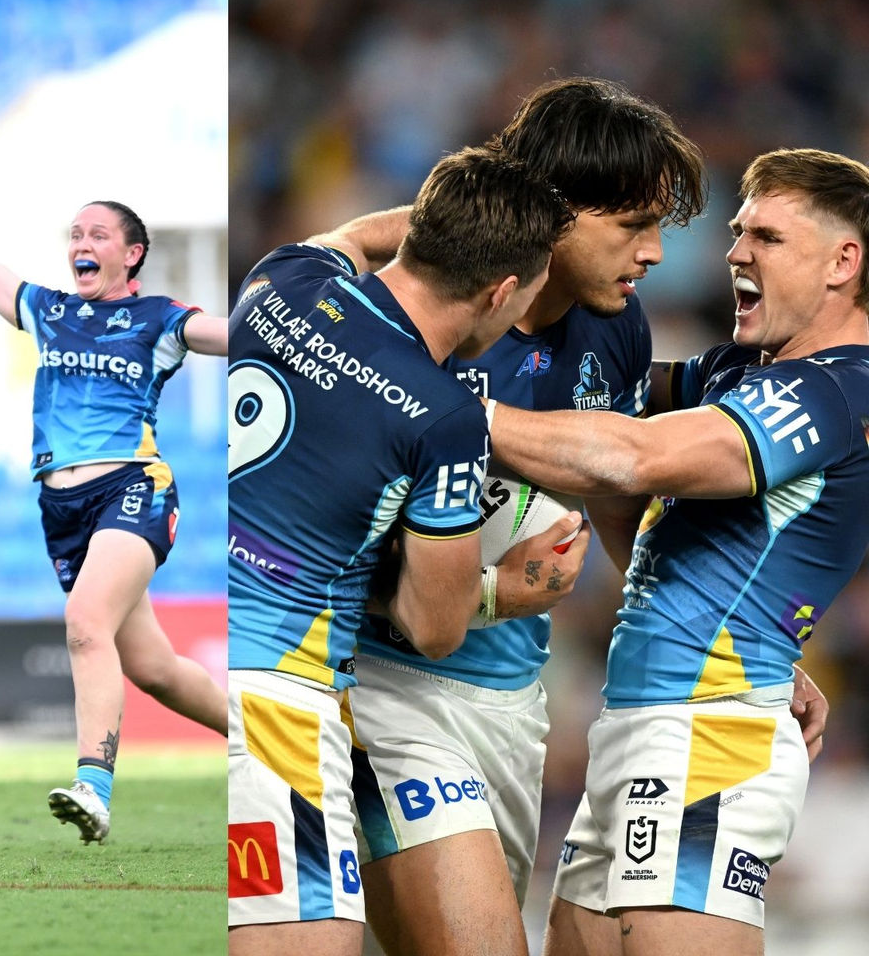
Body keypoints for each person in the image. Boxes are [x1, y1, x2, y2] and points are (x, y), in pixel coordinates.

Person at [338, 79, 828, 956]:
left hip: (512, 701)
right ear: (553, 211)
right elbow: (318, 538)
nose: (655, 252)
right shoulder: (415, 317)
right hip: (383, 685)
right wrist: (487, 592)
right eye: (633, 224)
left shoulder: (616, 329)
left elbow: (616, 501)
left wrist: (744, 648)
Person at [483, 147, 869, 956]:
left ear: (843, 262)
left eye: (766, 237)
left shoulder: (838, 390)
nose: (735, 253)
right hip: (646, 726)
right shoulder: (740, 370)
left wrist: (446, 409)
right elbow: (590, 395)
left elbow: (632, 457)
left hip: (710, 738)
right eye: (738, 232)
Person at [228, 146, 587, 956]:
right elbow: (434, 626)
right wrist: (507, 591)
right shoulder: (444, 419)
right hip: (277, 696)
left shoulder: (283, 279)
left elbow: (357, 237)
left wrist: (446, 222)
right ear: (499, 293)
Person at [0, 133, 229, 846]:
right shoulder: (49, 310)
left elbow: (232, 336)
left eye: (98, 234)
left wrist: (303, 325)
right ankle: (258, 735)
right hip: (61, 507)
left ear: (132, 254)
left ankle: (93, 789)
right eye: (75, 234)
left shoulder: (160, 318)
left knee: (83, 622)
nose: (82, 243)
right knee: (154, 668)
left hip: (133, 487)